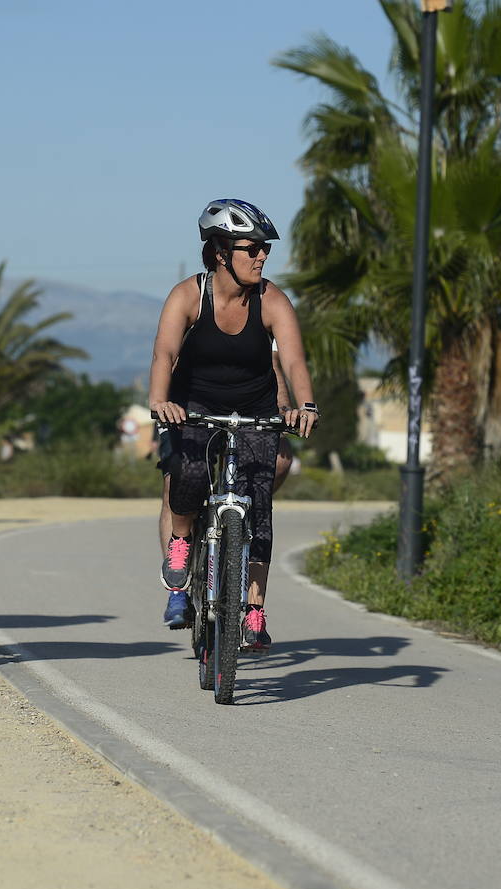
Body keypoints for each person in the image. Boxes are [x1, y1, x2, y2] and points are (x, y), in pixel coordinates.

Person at [149, 200, 317, 652]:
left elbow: (296, 359)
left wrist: (307, 405)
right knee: (186, 475)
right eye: (251, 249)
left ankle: (254, 608)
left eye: (265, 250)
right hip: (193, 404)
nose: (261, 256)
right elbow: (164, 353)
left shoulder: (272, 300)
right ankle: (182, 542)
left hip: (255, 407)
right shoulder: (188, 295)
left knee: (258, 504)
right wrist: (160, 400)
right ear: (220, 251)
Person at [156, 356, 294, 629]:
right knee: (177, 480)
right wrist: (167, 405)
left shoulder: (264, 313)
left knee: (279, 462)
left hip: (247, 404)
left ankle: (240, 522)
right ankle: (178, 591)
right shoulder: (192, 313)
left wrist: (283, 412)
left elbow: (274, 364)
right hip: (189, 400)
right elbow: (169, 357)